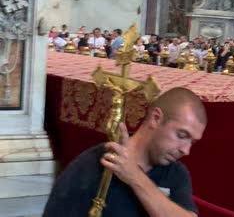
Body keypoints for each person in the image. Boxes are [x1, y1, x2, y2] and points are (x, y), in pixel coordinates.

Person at [43, 87, 207, 217]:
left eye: (192, 142)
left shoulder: (176, 173)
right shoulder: (93, 166)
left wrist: (134, 176)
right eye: (182, 135)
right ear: (156, 118)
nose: (186, 150)